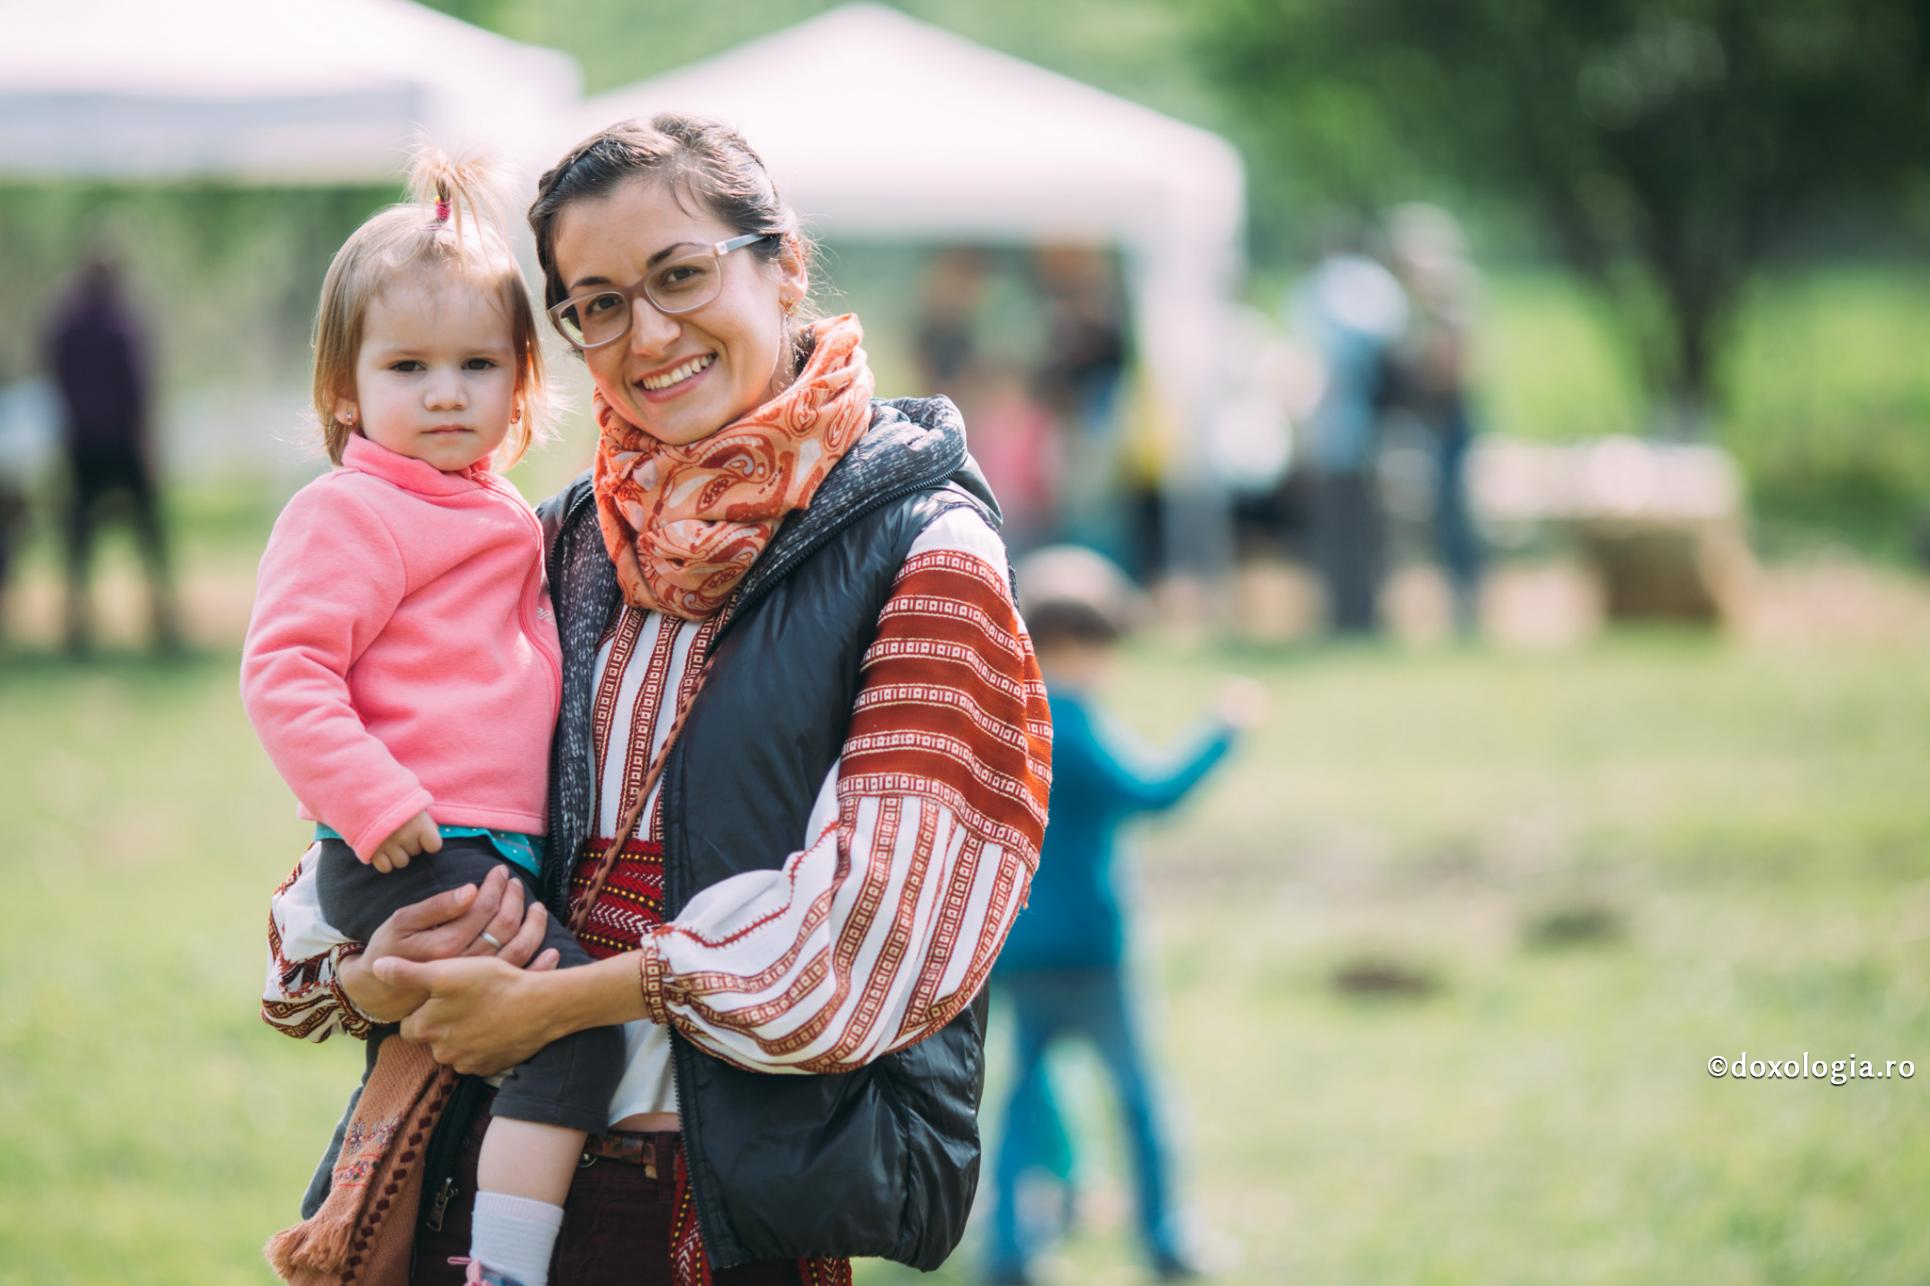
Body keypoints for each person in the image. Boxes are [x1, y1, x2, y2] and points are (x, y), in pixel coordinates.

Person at [258, 115, 1052, 1286]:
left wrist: (559, 1006)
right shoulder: (559, 539)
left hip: (700, 1217)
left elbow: (880, 927)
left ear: (784, 264)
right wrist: (364, 970)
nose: (649, 334)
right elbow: (387, 819)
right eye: (598, 303)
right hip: (461, 1174)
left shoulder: (924, 553)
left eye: (680, 274)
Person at [242, 150, 626, 1286]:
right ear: (345, 391)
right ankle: (501, 1270)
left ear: (522, 383)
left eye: (477, 364)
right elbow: (287, 672)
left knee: (443, 1068)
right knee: (571, 1035)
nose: (447, 393)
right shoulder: (352, 511)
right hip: (410, 843)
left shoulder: (503, 515)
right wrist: (376, 801)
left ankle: (358, 1229)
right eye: (408, 367)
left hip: (480, 845)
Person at [986, 547, 1258, 1285]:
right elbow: (1153, 793)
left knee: (1022, 1105)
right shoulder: (1070, 723)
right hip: (1091, 949)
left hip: (1018, 947)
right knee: (1140, 1102)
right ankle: (1166, 1238)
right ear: (1072, 645)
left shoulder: (1002, 722)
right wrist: (1224, 730)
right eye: (1104, 651)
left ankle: (1009, 1247)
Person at [42, 247, 180, 653]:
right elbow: (139, 389)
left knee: (79, 539)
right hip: (120, 443)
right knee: (147, 534)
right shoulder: (122, 325)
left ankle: (77, 623)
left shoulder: (65, 324)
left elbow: (54, 378)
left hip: (82, 442)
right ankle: (161, 619)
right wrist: (148, 445)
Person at [1291, 228, 1409, 636]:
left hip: (1348, 438)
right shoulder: (1371, 295)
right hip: (1365, 438)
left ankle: (1354, 613)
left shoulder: (1328, 297)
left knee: (1349, 532)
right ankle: (1356, 612)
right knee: (1360, 533)